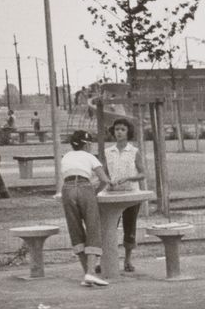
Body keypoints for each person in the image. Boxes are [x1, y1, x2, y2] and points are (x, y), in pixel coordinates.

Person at [59, 130, 112, 288]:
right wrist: (93, 193)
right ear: (87, 144)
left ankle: (87, 273)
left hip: (67, 189)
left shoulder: (66, 156)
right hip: (84, 187)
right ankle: (91, 272)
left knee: (75, 230)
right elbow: (104, 180)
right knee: (93, 228)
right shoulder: (90, 156)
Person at [103, 117, 147, 273]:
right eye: (116, 129)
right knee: (109, 227)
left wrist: (128, 178)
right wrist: (107, 182)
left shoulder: (134, 151)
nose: (119, 132)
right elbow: (104, 173)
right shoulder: (108, 152)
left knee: (130, 226)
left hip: (131, 194)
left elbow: (142, 174)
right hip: (113, 195)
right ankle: (106, 260)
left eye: (122, 129)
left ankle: (128, 260)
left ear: (128, 132)